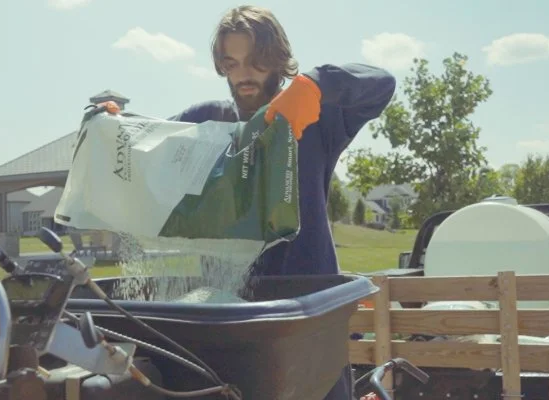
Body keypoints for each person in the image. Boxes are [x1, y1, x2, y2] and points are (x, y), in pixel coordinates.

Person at [101, 5, 396, 399]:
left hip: (307, 315)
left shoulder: (315, 118)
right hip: (230, 317)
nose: (243, 74)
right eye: (232, 62)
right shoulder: (206, 121)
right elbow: (148, 150)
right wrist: (115, 128)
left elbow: (382, 83)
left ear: (278, 61)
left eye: (256, 62)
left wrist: (315, 84)